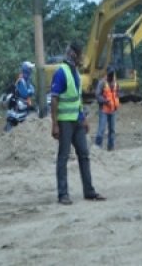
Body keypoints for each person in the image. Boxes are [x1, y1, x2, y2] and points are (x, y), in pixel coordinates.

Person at [50, 41, 106, 205]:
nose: (83, 58)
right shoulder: (62, 72)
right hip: (65, 122)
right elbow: (54, 99)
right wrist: (54, 124)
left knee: (84, 154)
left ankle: (89, 191)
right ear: (74, 54)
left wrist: (84, 119)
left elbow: (77, 99)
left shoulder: (76, 73)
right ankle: (63, 194)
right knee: (63, 157)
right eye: (81, 54)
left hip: (77, 121)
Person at [94, 65, 120, 151]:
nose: (111, 76)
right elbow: (97, 95)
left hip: (112, 109)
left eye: (112, 74)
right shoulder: (102, 83)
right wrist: (105, 101)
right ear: (107, 74)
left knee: (112, 130)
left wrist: (116, 102)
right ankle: (97, 148)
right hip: (104, 110)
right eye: (110, 74)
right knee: (101, 129)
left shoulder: (115, 83)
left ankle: (111, 147)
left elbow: (116, 93)